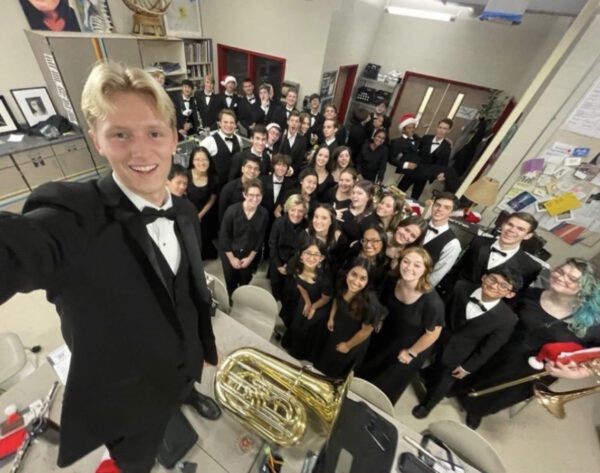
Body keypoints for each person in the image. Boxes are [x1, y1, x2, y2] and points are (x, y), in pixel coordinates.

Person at [0, 62, 218, 471]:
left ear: (174, 138)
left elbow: (189, 290)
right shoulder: (70, 217)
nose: (141, 150)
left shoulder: (185, 211)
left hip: (183, 362)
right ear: (97, 141)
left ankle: (186, 392)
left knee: (182, 385)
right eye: (120, 134)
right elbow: (18, 248)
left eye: (154, 132)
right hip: (128, 397)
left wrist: (203, 345)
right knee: (138, 461)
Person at [457, 258, 600, 429]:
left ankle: (477, 411)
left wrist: (576, 374)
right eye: (561, 271)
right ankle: (458, 391)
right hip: (500, 352)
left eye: (572, 279)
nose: (562, 278)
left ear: (584, 289)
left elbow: (594, 357)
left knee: (502, 395)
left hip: (533, 371)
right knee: (476, 375)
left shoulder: (592, 324)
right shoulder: (530, 294)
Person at [413, 268, 521, 420]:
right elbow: (441, 309)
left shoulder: (508, 319)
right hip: (439, 335)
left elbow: (490, 347)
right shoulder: (461, 287)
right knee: (418, 358)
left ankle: (426, 406)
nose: (495, 286)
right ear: (484, 277)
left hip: (462, 351)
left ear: (510, 294)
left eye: (503, 286)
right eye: (492, 279)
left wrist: (468, 367)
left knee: (444, 381)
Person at [358, 247, 444, 403]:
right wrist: (381, 318)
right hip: (387, 335)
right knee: (366, 371)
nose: (409, 268)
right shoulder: (392, 280)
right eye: (406, 261)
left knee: (383, 386)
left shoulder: (432, 302)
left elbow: (433, 334)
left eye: (417, 265)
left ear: (425, 270)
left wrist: (411, 353)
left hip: (409, 347)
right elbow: (383, 302)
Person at [316, 258, 385, 378]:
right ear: (347, 272)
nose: (356, 281)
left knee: (336, 370)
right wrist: (331, 317)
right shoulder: (342, 284)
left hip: (353, 339)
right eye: (354, 274)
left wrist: (347, 346)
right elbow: (337, 300)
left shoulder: (371, 305)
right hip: (338, 329)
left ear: (368, 281)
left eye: (363, 278)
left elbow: (365, 332)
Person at [450, 211, 542, 294]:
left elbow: (515, 297)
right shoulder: (479, 241)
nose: (512, 230)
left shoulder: (531, 267)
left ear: (528, 235)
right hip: (452, 297)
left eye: (520, 229)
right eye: (510, 224)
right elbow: (456, 269)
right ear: (503, 225)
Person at [281, 238, 333, 361]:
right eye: (308, 253)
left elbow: (326, 298)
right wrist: (307, 301)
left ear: (321, 259)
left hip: (321, 303)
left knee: (308, 325)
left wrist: (313, 307)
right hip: (307, 297)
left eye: (316, 255)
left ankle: (301, 355)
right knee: (298, 321)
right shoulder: (295, 266)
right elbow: (300, 286)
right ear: (301, 255)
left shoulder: (325, 278)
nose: (311, 257)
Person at [219, 178, 269, 296]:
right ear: (244, 194)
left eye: (258, 195)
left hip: (249, 254)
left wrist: (250, 258)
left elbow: (260, 238)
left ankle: (241, 300)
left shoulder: (264, 213)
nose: (255, 199)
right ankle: (231, 302)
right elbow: (224, 237)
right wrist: (232, 259)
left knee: (245, 281)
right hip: (230, 253)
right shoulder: (231, 211)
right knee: (231, 281)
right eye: (251, 195)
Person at [403, 118, 457, 200]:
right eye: (440, 127)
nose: (441, 130)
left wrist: (438, 175)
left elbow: (443, 164)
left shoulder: (447, 147)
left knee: (414, 197)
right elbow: (415, 149)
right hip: (413, 170)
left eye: (444, 129)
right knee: (399, 189)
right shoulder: (426, 138)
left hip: (424, 175)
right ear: (436, 127)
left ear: (448, 131)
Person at [268, 194, 308, 301]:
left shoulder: (307, 226)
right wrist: (279, 265)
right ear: (287, 209)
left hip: (295, 261)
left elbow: (302, 250)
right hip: (278, 260)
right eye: (293, 210)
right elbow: (272, 245)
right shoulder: (278, 223)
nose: (296, 214)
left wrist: (289, 266)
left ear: (304, 212)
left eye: (300, 211)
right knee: (275, 285)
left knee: (290, 290)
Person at [422, 192, 461, 286]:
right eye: (437, 205)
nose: (439, 209)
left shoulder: (453, 244)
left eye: (446, 208)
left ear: (451, 213)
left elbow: (436, 275)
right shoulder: (418, 223)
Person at [186, 146, 218, 260]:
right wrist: (192, 215)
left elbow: (212, 198)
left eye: (204, 159)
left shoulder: (213, 178)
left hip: (205, 214)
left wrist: (200, 215)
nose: (201, 163)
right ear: (192, 161)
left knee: (204, 238)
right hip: (187, 213)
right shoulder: (186, 175)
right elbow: (182, 197)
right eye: (197, 160)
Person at [199, 109, 243, 187]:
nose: (229, 125)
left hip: (235, 186)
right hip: (216, 189)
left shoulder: (238, 139)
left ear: (235, 125)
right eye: (225, 122)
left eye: (231, 122)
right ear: (219, 123)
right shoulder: (209, 141)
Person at [302, 203, 348, 272]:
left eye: (324, 218)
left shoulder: (340, 239)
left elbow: (338, 263)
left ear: (331, 221)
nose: (318, 221)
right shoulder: (305, 234)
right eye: (316, 217)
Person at [343, 225, 389, 291]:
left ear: (383, 243)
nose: (368, 245)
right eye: (365, 240)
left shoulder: (384, 264)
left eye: (374, 241)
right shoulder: (353, 252)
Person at [218, 155, 261, 221]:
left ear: (258, 172)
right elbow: (222, 215)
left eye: (256, 169)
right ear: (242, 169)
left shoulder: (261, 189)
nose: (252, 171)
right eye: (249, 167)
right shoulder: (228, 188)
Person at [389, 114, 421, 190]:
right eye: (409, 128)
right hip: (402, 172)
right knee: (397, 190)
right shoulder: (397, 142)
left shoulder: (418, 139)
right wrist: (406, 165)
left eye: (413, 127)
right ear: (403, 129)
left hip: (417, 172)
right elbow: (391, 159)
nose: (412, 130)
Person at [337, 179, 374, 244]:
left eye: (359, 193)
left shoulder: (370, 220)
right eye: (353, 192)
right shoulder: (344, 205)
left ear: (369, 197)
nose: (354, 196)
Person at [277, 110, 307, 175]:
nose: (294, 123)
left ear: (299, 124)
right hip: (278, 170)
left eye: (296, 121)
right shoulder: (280, 136)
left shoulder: (302, 141)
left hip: (292, 175)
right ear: (288, 122)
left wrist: (292, 170)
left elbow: (299, 160)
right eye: (292, 120)